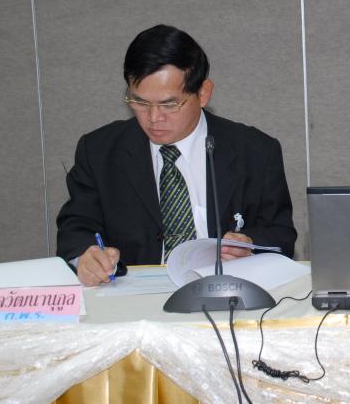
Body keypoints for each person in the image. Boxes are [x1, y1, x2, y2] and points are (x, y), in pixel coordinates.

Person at [57, 24, 297, 285]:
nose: (153, 117)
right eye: (140, 102)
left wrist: (249, 245)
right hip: (132, 296)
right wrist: (85, 258)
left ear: (203, 93)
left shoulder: (255, 151)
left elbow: (281, 236)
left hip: (224, 291)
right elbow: (75, 227)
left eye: (169, 104)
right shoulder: (99, 151)